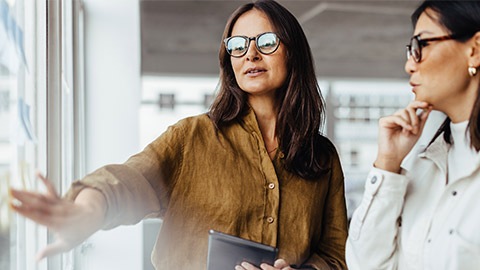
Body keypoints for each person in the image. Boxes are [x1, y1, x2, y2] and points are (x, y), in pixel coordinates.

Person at [10, 0, 348, 269]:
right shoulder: (194, 136)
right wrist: (86, 212)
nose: (251, 53)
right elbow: (131, 178)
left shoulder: (322, 156)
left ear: (293, 51)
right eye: (238, 44)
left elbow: (335, 255)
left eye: (267, 41)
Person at [346, 0, 480, 269]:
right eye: (411, 50)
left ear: (475, 50)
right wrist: (388, 164)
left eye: (422, 45)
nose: (410, 65)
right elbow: (365, 264)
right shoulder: (420, 158)